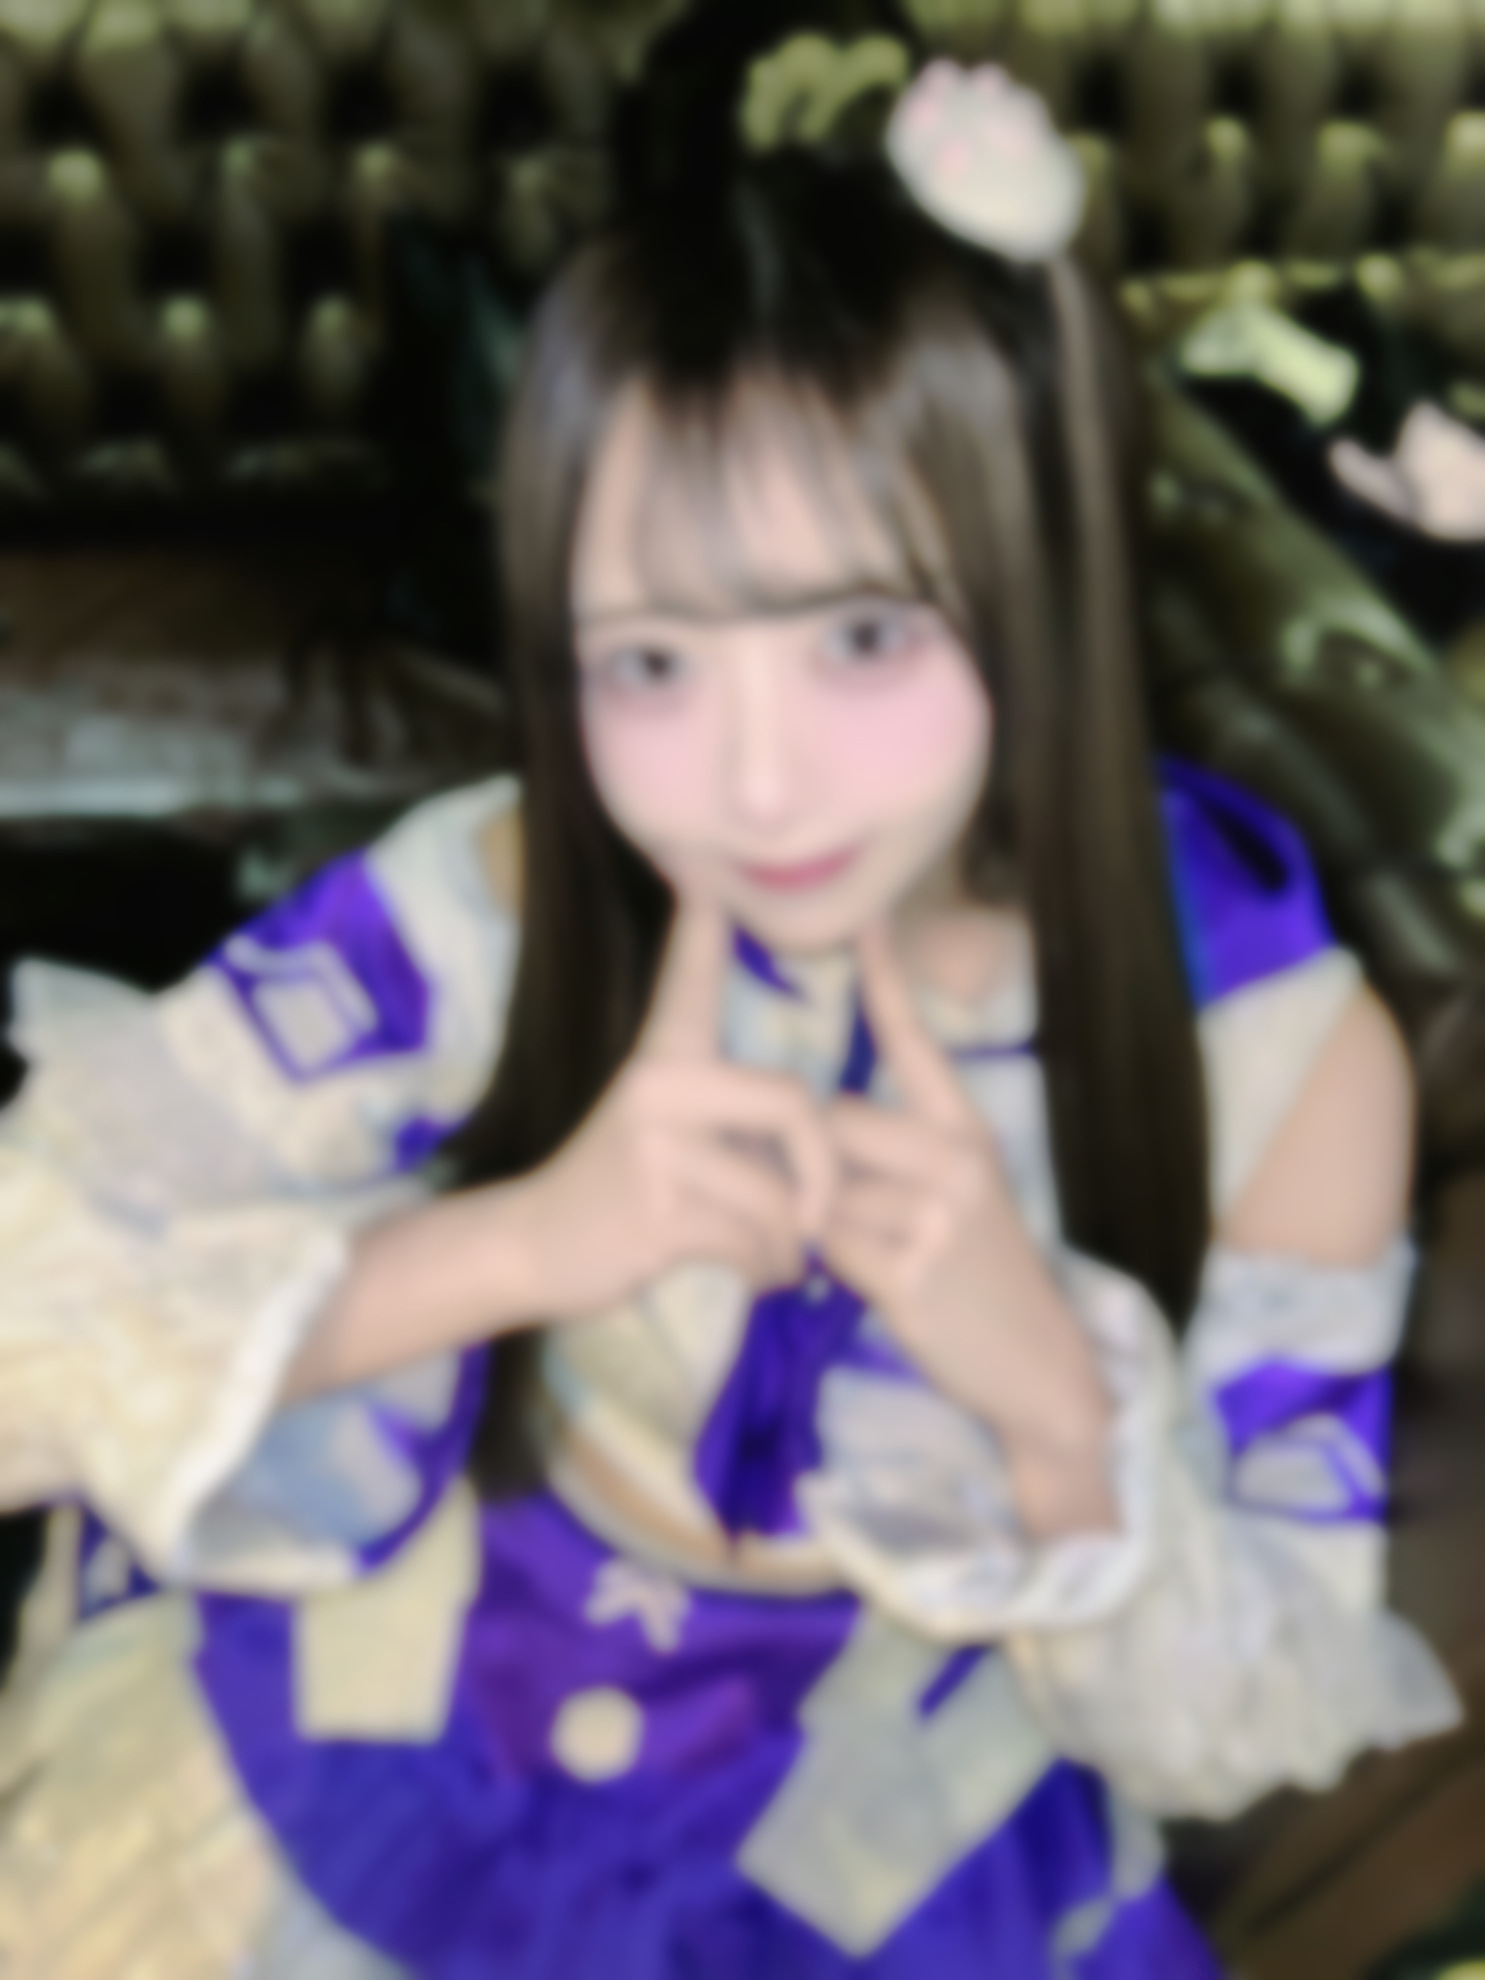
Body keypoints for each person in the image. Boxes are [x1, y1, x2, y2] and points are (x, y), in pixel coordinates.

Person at [0, 14, 1461, 1976]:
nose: (755, 787)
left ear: (1037, 580)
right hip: (413, 1706)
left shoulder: (1273, 1056)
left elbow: (1244, 1729)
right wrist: (526, 1241)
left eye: (858, 637)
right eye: (652, 663)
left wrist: (1047, 1397)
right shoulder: (505, 892)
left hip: (891, 1829)